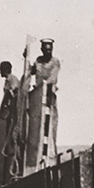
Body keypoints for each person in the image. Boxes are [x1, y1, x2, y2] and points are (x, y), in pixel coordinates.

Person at [26, 38, 61, 166]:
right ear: (41, 49)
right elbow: (30, 72)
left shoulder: (55, 62)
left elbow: (52, 78)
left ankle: (51, 161)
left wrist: (44, 85)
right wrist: (26, 61)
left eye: (50, 49)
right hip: (37, 102)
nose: (48, 52)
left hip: (49, 100)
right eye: (45, 49)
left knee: (50, 132)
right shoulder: (38, 61)